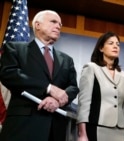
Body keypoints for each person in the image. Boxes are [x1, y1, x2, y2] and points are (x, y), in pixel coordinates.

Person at [0, 10, 79, 141]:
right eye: (53, 22)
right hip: (23, 127)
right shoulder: (14, 48)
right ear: (37, 25)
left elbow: (73, 87)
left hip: (55, 128)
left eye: (60, 24)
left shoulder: (67, 59)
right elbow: (9, 74)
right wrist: (48, 88)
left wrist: (57, 101)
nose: (58, 26)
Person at [77, 31, 124, 141]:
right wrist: (82, 133)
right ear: (101, 48)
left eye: (118, 44)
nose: (115, 46)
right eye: (111, 43)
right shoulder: (91, 68)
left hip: (120, 132)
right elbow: (84, 102)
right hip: (97, 127)